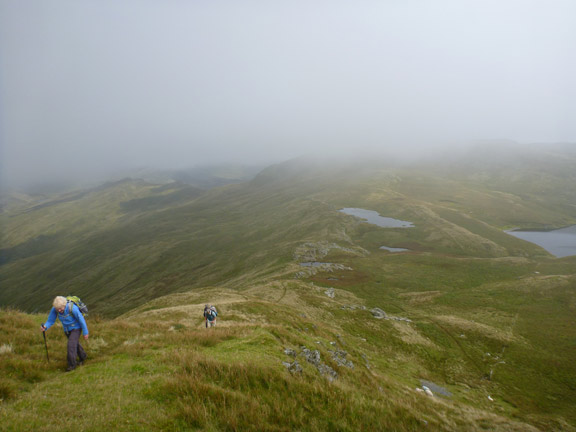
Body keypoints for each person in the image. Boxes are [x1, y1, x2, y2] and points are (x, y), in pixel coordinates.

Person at [41, 296, 89, 371]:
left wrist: (85, 332)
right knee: (74, 344)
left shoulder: (72, 308)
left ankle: (72, 365)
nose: (59, 310)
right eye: (57, 309)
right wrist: (45, 326)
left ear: (64, 305)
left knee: (71, 345)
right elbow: (51, 320)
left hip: (76, 328)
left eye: (61, 308)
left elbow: (81, 320)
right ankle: (83, 357)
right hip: (67, 330)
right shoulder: (55, 309)